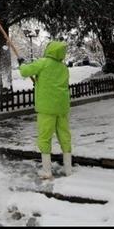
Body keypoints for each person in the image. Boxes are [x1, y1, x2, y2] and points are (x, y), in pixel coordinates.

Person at [18, 40, 72, 179]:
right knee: (65, 136)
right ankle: (68, 170)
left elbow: (25, 72)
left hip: (47, 109)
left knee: (44, 138)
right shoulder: (63, 68)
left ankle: (47, 172)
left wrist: (21, 63)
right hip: (62, 108)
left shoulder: (43, 63)